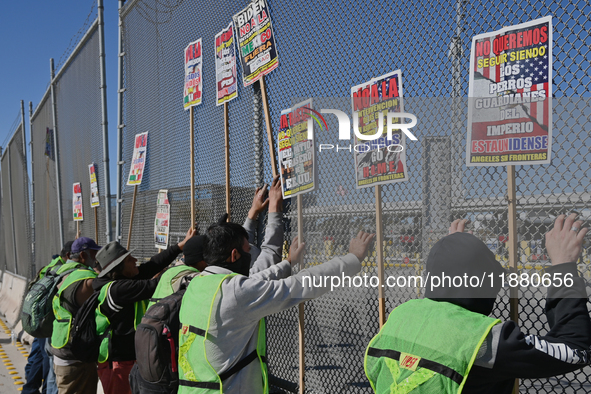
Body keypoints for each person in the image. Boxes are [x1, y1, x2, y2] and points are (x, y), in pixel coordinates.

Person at [364, 214, 591, 393]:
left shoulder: (401, 315)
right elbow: (574, 349)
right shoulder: (482, 340)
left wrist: (455, 249)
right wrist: (563, 267)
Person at [177, 220, 375, 393]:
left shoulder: (197, 285)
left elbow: (255, 281)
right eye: (248, 251)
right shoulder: (236, 293)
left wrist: (287, 263)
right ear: (234, 255)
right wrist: (351, 259)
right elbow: (301, 285)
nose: (251, 256)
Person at [93, 227, 195, 394]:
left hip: (126, 356)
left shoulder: (120, 280)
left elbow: (151, 266)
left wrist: (180, 246)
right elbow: (153, 285)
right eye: (128, 259)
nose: (135, 260)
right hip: (118, 361)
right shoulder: (117, 289)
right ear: (118, 268)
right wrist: (182, 264)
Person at [50, 237, 102, 394]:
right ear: (83, 255)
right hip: (74, 353)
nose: (96, 258)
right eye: (94, 253)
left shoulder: (60, 271)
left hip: (59, 342)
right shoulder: (85, 278)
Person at [22, 241, 74, 394]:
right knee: (47, 361)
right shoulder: (61, 271)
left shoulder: (49, 267)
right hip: (49, 322)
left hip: (39, 320)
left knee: (38, 356)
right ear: (69, 255)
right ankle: (34, 389)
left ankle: (30, 388)